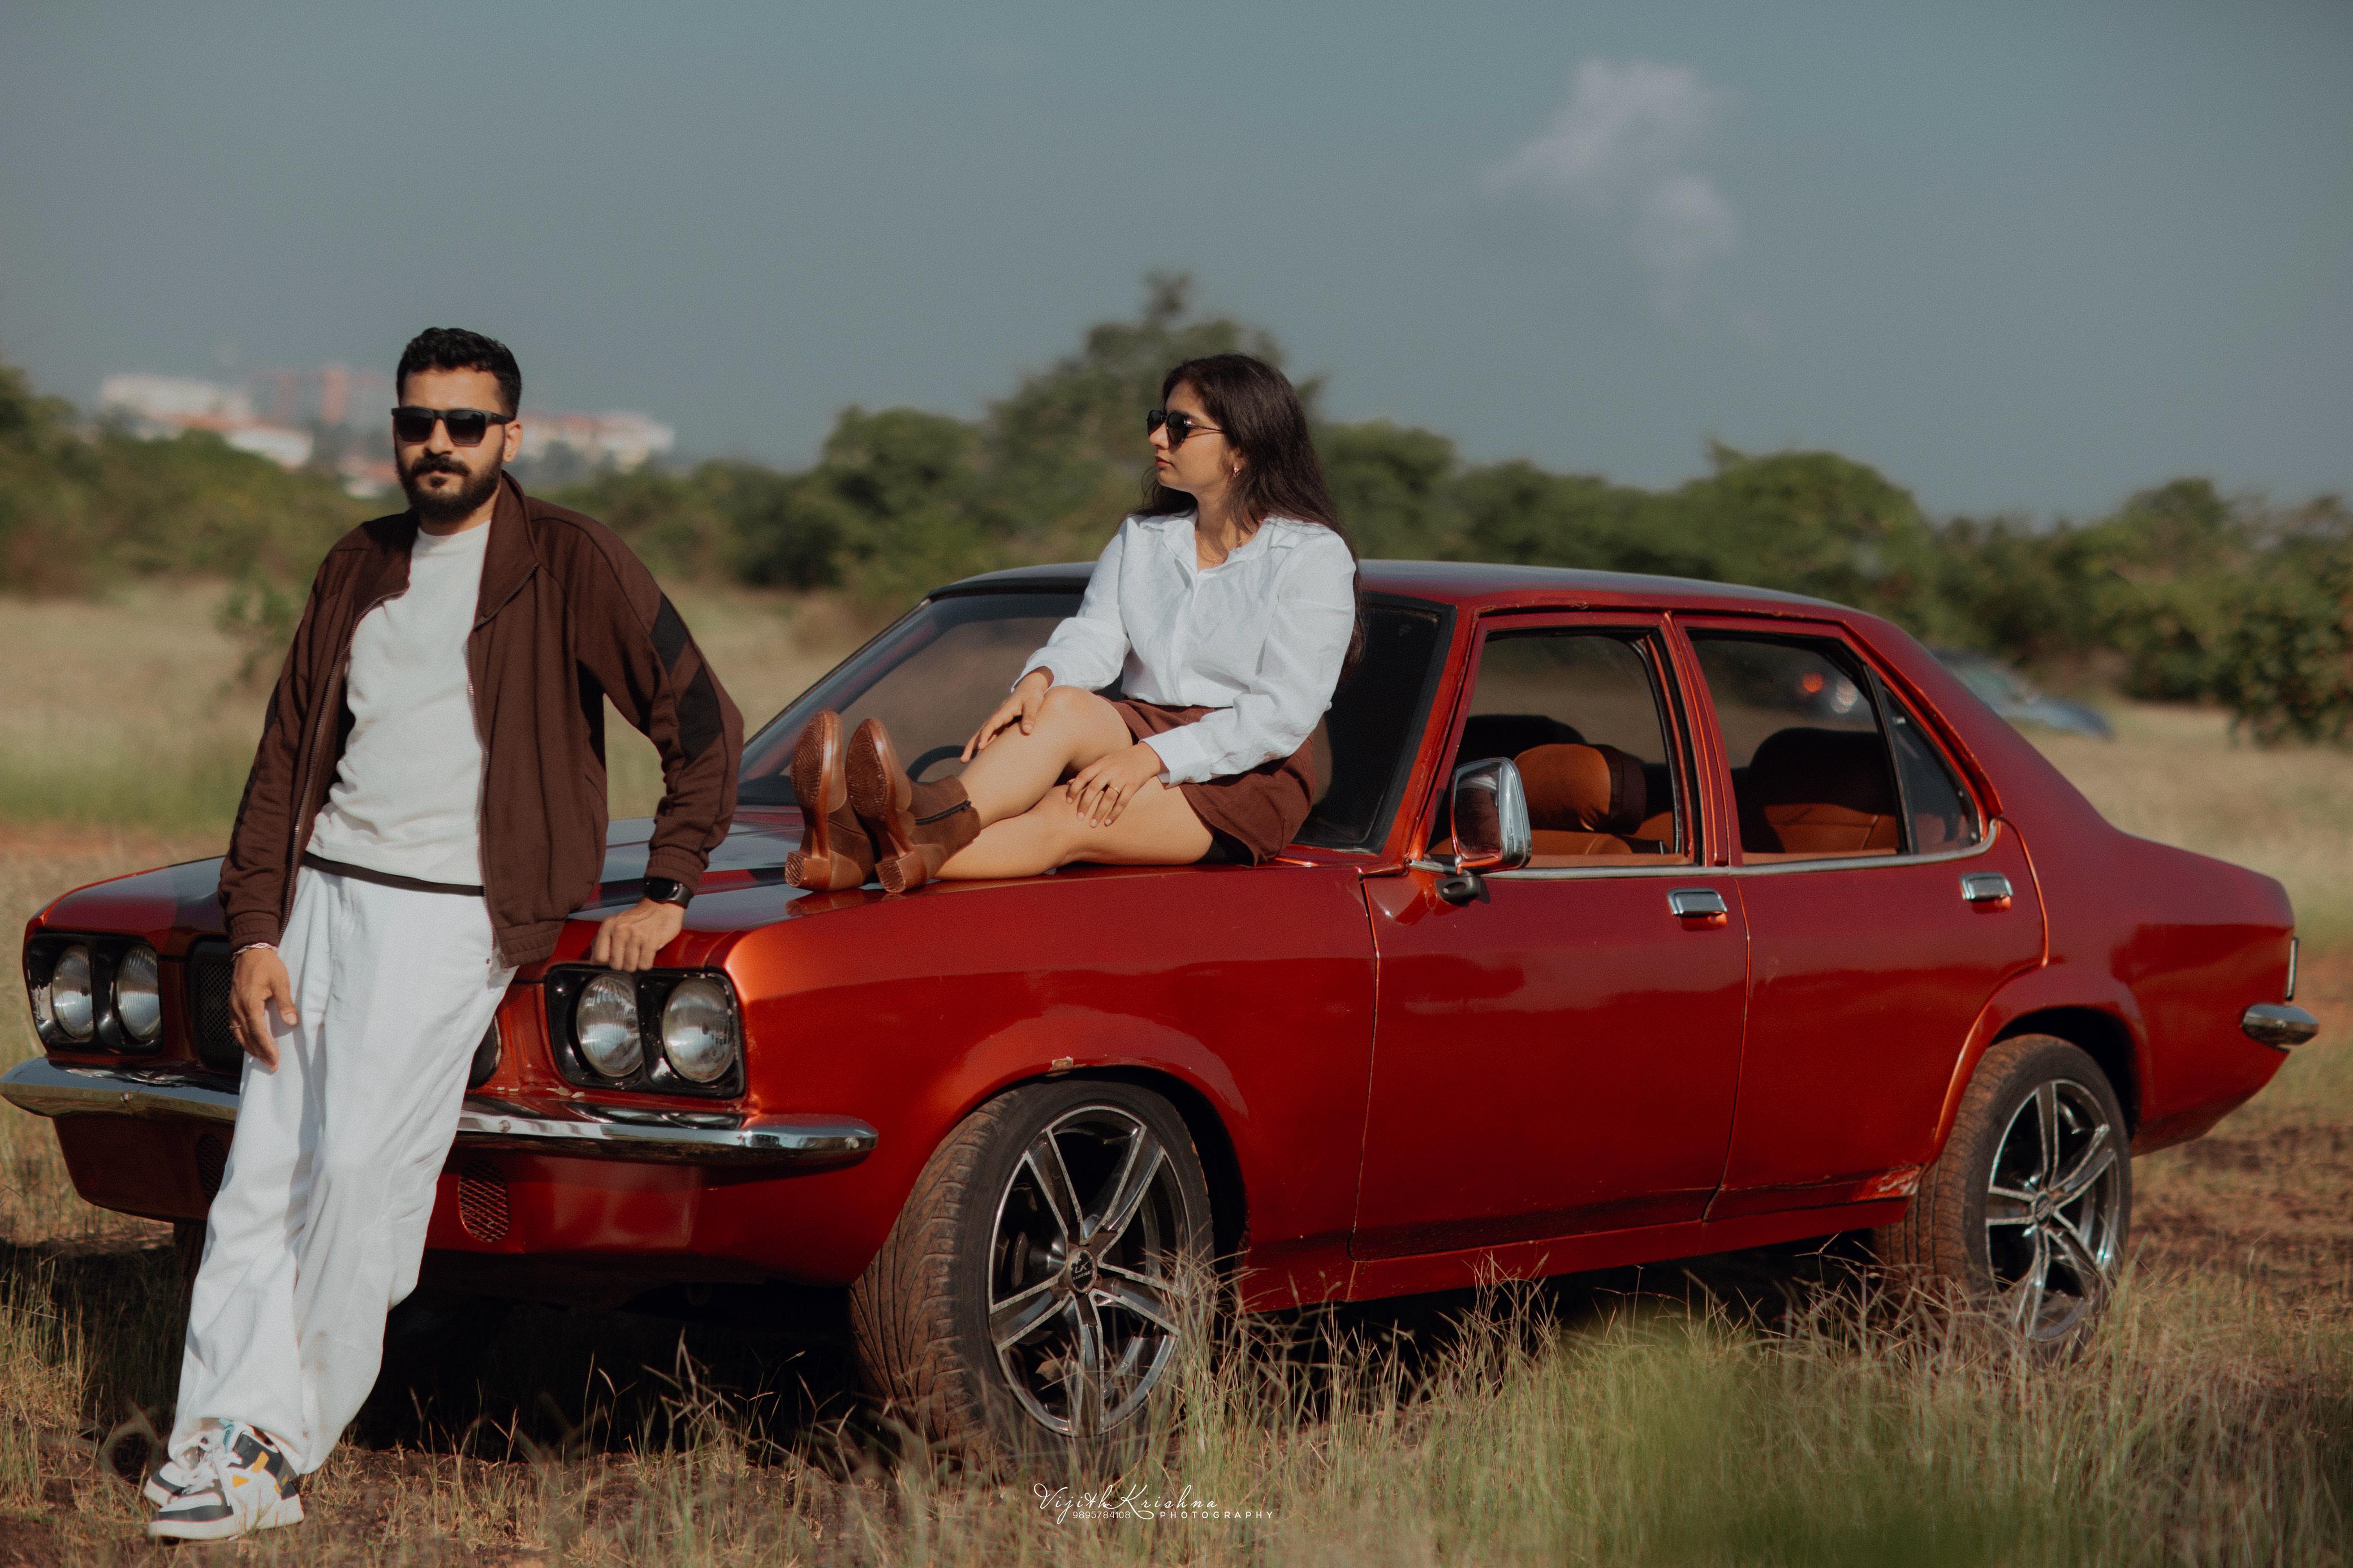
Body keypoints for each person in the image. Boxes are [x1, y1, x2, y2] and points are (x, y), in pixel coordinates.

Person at [145, 328, 742, 1542]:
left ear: (509, 436)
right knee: (263, 1181)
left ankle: (279, 1444)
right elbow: (283, 760)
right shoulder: (358, 565)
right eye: (418, 421)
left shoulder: (568, 562)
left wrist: (669, 885)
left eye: (465, 425)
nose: (437, 444)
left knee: (365, 1176)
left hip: (458, 916)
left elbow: (703, 725)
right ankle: (208, 1434)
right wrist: (257, 927)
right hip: (322, 902)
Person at [782, 353, 1359, 895]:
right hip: (1145, 726)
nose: (1157, 438)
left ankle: (857, 851)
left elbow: (1283, 713)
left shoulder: (1311, 556)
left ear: (1244, 448)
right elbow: (1094, 637)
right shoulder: (1145, 537)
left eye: (1181, 427)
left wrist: (1152, 758)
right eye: (1159, 420)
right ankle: (903, 822)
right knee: (1059, 706)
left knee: (1069, 812)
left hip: (1247, 774)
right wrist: (1040, 679)